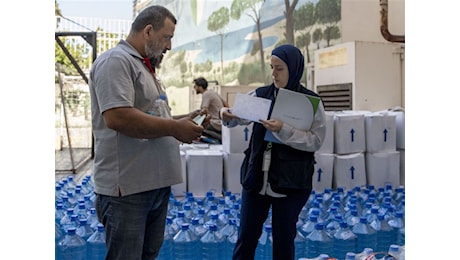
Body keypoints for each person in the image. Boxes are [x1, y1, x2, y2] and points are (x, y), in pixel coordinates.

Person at [88, 5, 205, 260]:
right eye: (168, 37)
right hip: (127, 191)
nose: (169, 46)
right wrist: (174, 128)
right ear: (148, 31)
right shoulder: (115, 61)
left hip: (153, 185)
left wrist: (179, 121)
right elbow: (118, 116)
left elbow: (147, 115)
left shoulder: (144, 66)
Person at [220, 44, 327, 260]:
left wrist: (284, 130)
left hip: (291, 182)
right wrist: (225, 115)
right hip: (256, 180)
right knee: (246, 239)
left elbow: (316, 140)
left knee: (283, 241)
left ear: (294, 69)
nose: (274, 74)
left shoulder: (309, 102)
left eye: (280, 69)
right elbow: (236, 118)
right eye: (272, 68)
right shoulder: (261, 95)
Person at [193, 77, 229, 142]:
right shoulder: (213, 92)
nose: (194, 88)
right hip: (220, 123)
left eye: (195, 86)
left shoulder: (206, 94)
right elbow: (226, 105)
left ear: (200, 87)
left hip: (213, 123)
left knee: (192, 126)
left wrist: (193, 120)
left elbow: (204, 111)